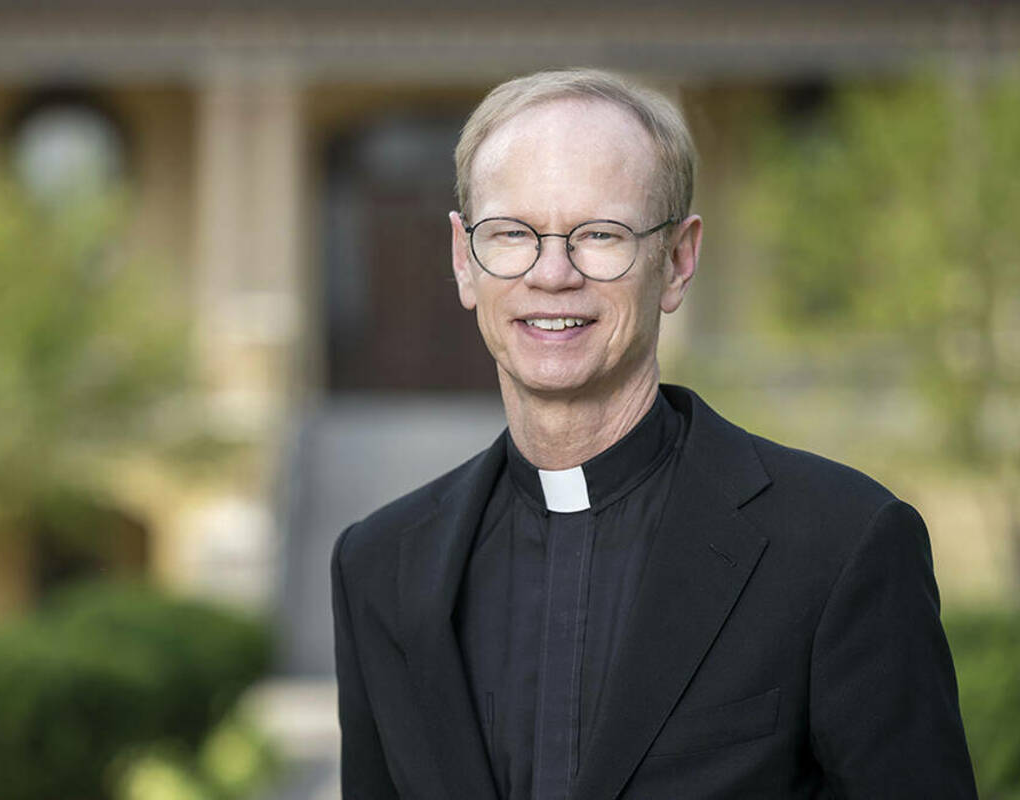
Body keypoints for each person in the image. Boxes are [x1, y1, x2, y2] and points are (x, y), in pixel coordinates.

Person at [330, 68, 976, 800]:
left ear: (677, 260)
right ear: (462, 260)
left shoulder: (841, 544)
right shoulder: (379, 565)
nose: (552, 274)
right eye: (511, 234)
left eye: (599, 234)